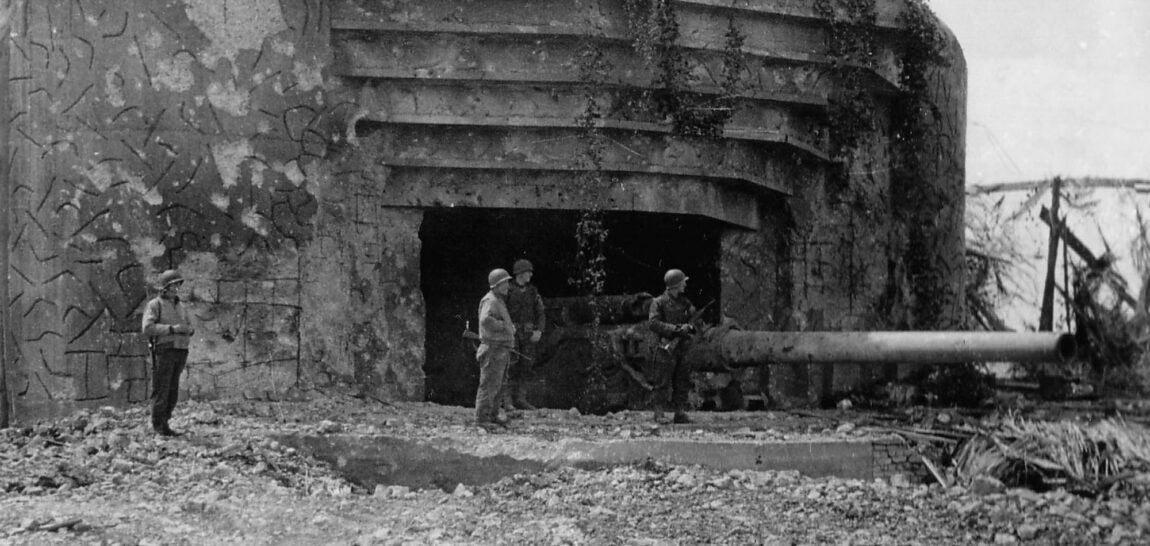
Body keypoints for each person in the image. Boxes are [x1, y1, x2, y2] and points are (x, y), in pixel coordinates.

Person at [141, 269, 195, 437]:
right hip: (164, 351)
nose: (176, 288)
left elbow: (190, 326)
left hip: (180, 350)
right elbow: (147, 328)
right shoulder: (154, 305)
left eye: (178, 284)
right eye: (173, 285)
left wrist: (189, 330)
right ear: (165, 287)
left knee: (172, 391)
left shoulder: (181, 306)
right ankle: (158, 426)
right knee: (161, 390)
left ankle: (165, 424)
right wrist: (172, 329)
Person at [648, 268, 697, 424]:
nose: (685, 285)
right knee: (661, 381)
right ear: (675, 285)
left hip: (682, 347)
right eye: (683, 282)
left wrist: (691, 327)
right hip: (665, 347)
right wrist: (676, 330)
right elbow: (654, 323)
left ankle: (680, 412)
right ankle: (659, 414)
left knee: (682, 381)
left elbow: (694, 319)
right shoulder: (658, 302)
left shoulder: (685, 302)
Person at [475, 268, 516, 428]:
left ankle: (492, 415)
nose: (507, 285)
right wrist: (503, 326)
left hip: (501, 349)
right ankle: (482, 420)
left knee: (498, 385)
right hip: (493, 349)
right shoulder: (490, 300)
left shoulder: (497, 300)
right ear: (496, 285)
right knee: (489, 385)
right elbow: (485, 320)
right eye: (504, 282)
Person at [503, 258, 545, 411]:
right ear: (520, 273)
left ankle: (521, 399)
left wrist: (539, 330)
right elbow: (501, 310)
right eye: (528, 272)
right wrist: (507, 327)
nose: (530, 275)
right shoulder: (507, 290)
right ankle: (506, 400)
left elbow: (540, 312)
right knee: (510, 366)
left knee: (526, 366)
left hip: (527, 334)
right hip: (512, 334)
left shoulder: (533, 291)